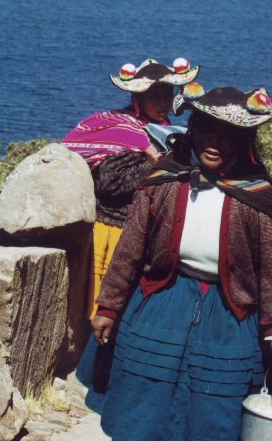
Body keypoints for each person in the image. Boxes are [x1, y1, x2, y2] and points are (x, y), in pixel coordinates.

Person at [77, 85, 272, 441]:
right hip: (167, 296)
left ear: (244, 142)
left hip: (230, 308)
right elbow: (131, 248)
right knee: (158, 390)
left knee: (212, 398)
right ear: (193, 130)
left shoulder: (257, 196)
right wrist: (109, 306)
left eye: (227, 136)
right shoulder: (166, 181)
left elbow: (271, 271)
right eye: (207, 131)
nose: (214, 144)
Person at [64, 58, 199, 315]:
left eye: (167, 95)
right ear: (138, 98)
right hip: (114, 233)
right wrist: (151, 166)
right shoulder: (124, 132)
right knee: (102, 313)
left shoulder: (165, 132)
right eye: (155, 96)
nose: (163, 103)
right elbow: (110, 184)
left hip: (145, 236)